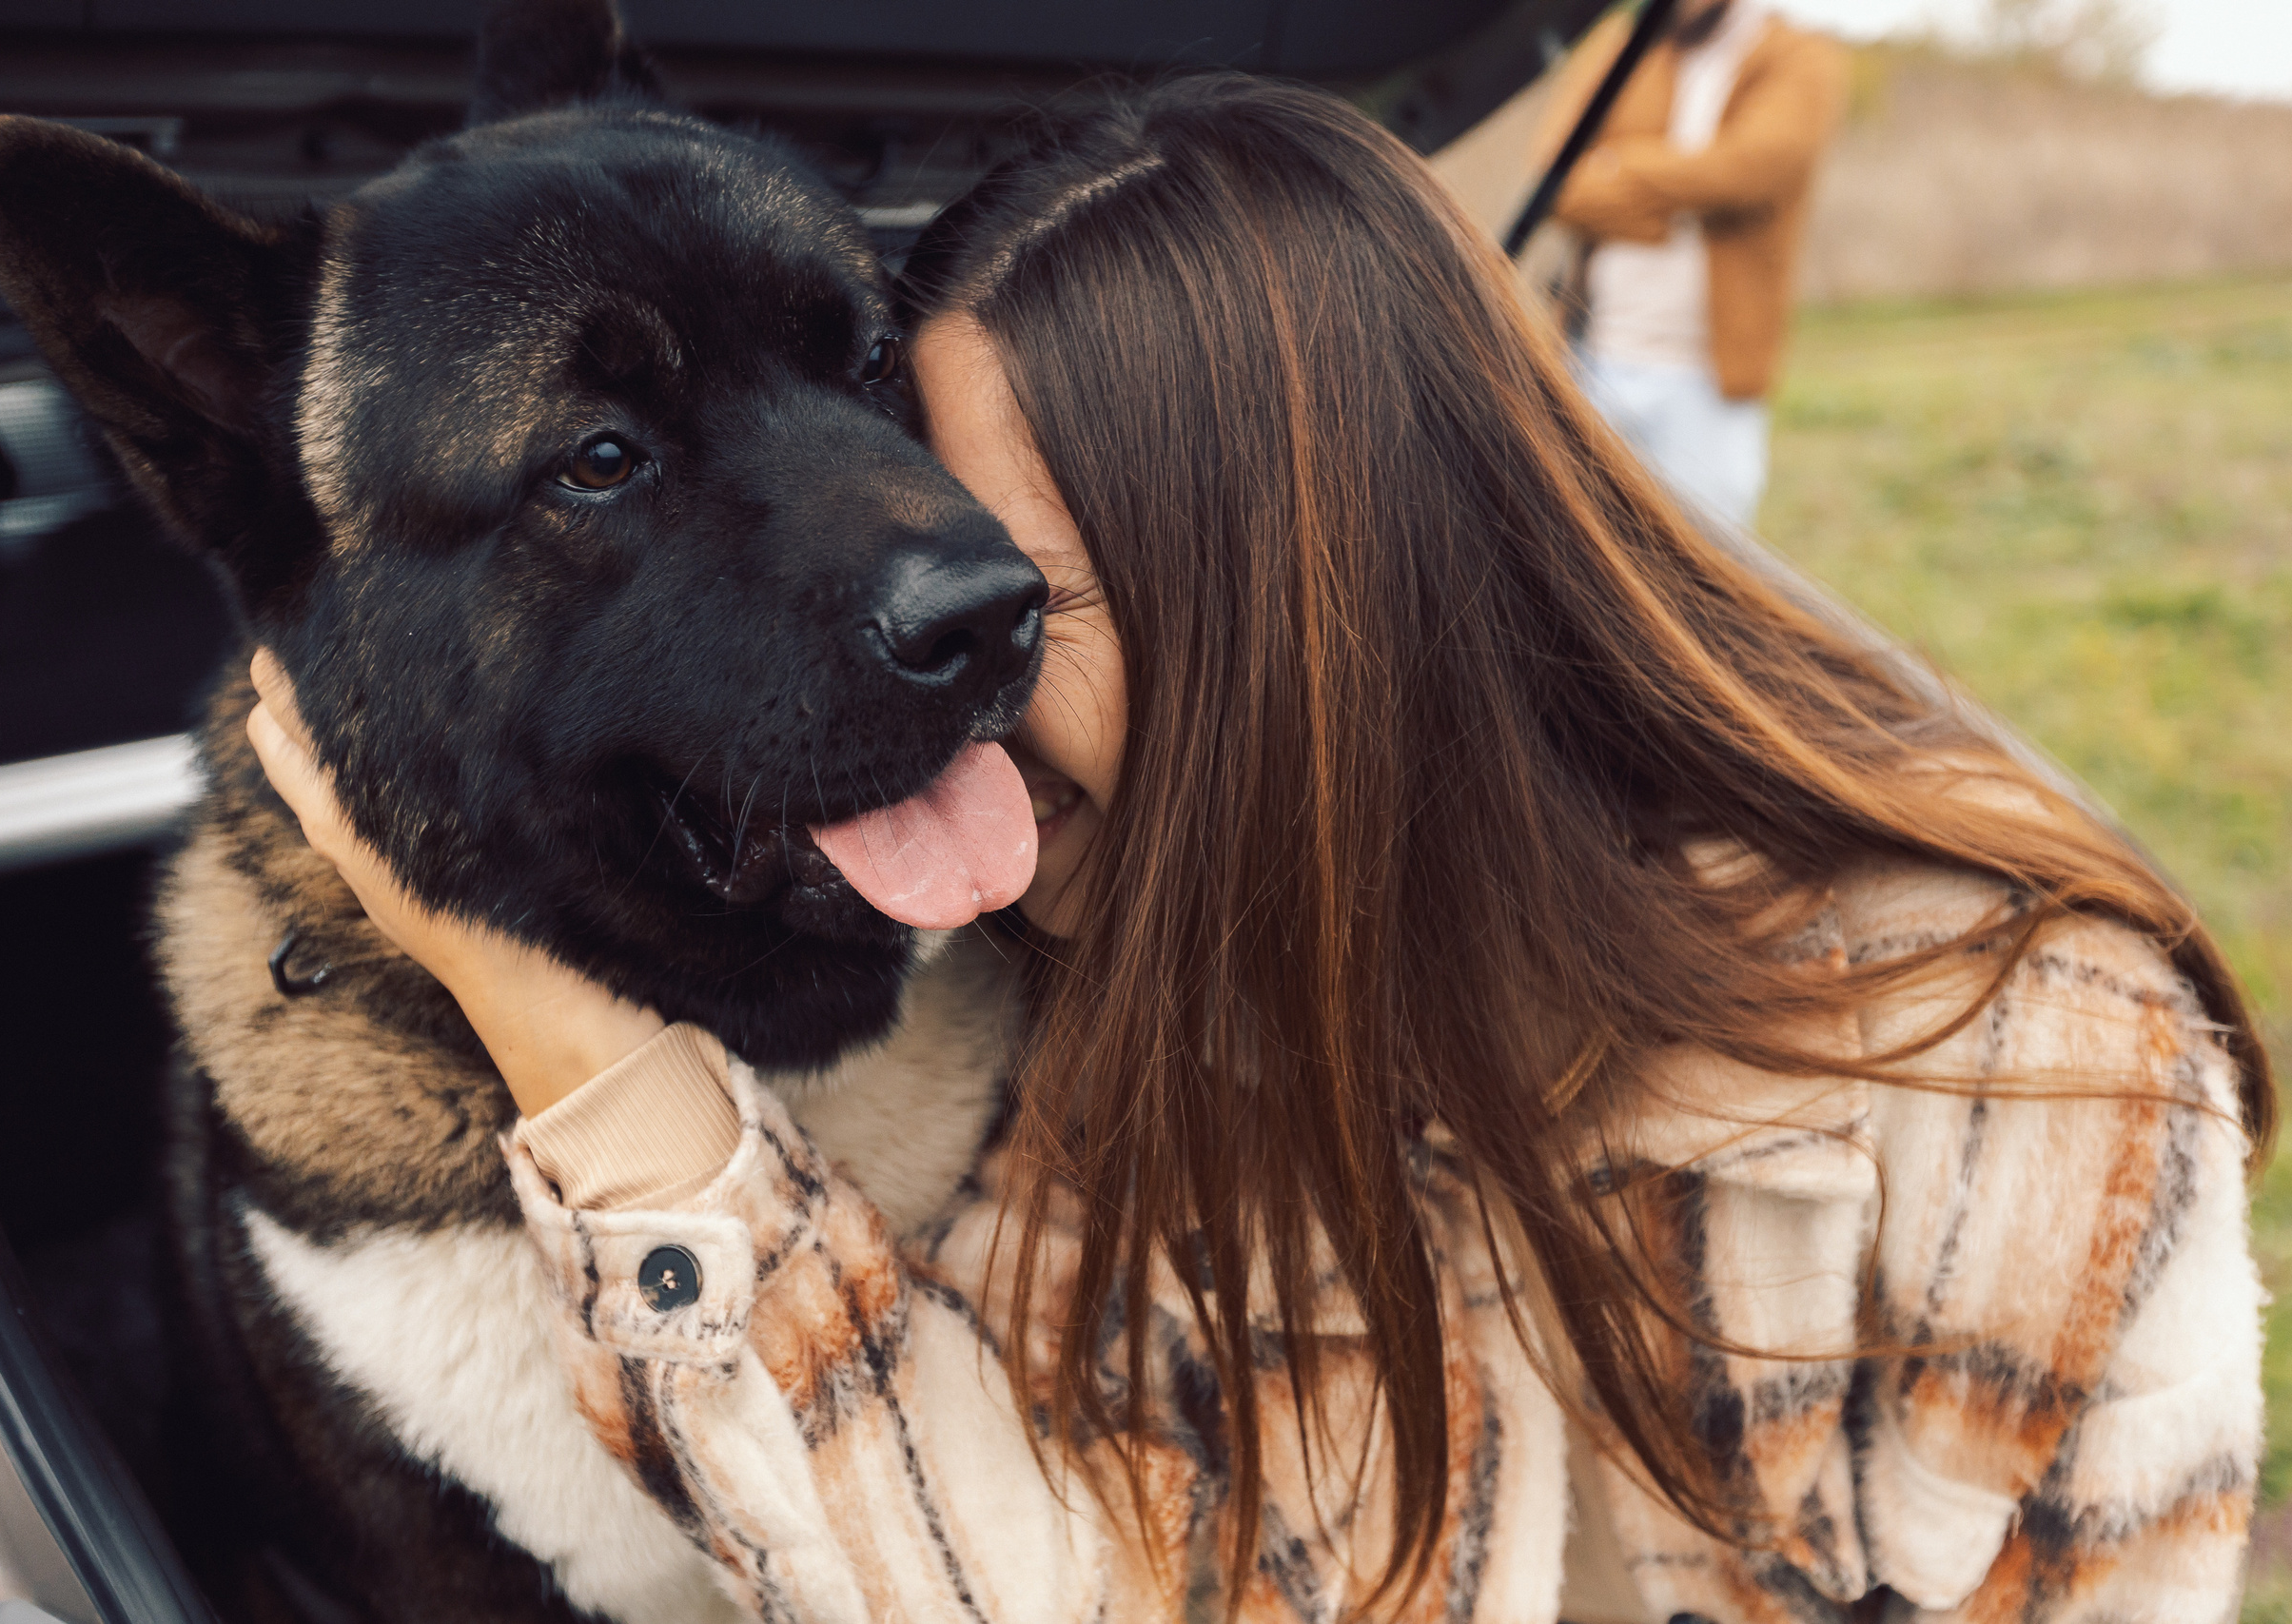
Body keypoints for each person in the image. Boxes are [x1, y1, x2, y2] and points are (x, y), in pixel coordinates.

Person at [246, 74, 2266, 1624]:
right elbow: (1014, 1578)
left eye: (1008, 613)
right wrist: (554, 1031)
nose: (939, 698)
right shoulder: (1101, 1007)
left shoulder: (2015, 1070)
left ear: (1329, 613)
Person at [1538, 0, 1849, 530]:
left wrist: (1619, 168)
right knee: (1579, 559)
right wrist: (1676, 208)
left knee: (1707, 572)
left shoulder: (1798, 57)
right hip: (1591, 360)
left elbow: (1751, 171)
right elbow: (1553, 179)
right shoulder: (1619, 49)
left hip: (1706, 380)